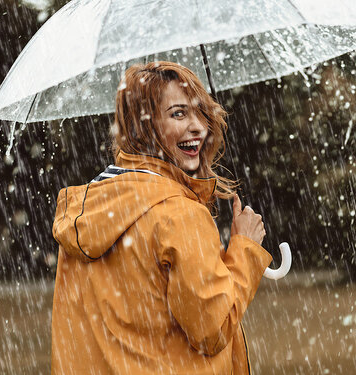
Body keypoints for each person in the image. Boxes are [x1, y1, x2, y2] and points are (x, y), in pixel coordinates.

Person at [51, 61, 272, 374]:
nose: (199, 127)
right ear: (143, 127)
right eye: (178, 113)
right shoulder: (177, 214)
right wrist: (244, 249)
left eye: (201, 112)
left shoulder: (91, 206)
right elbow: (212, 329)